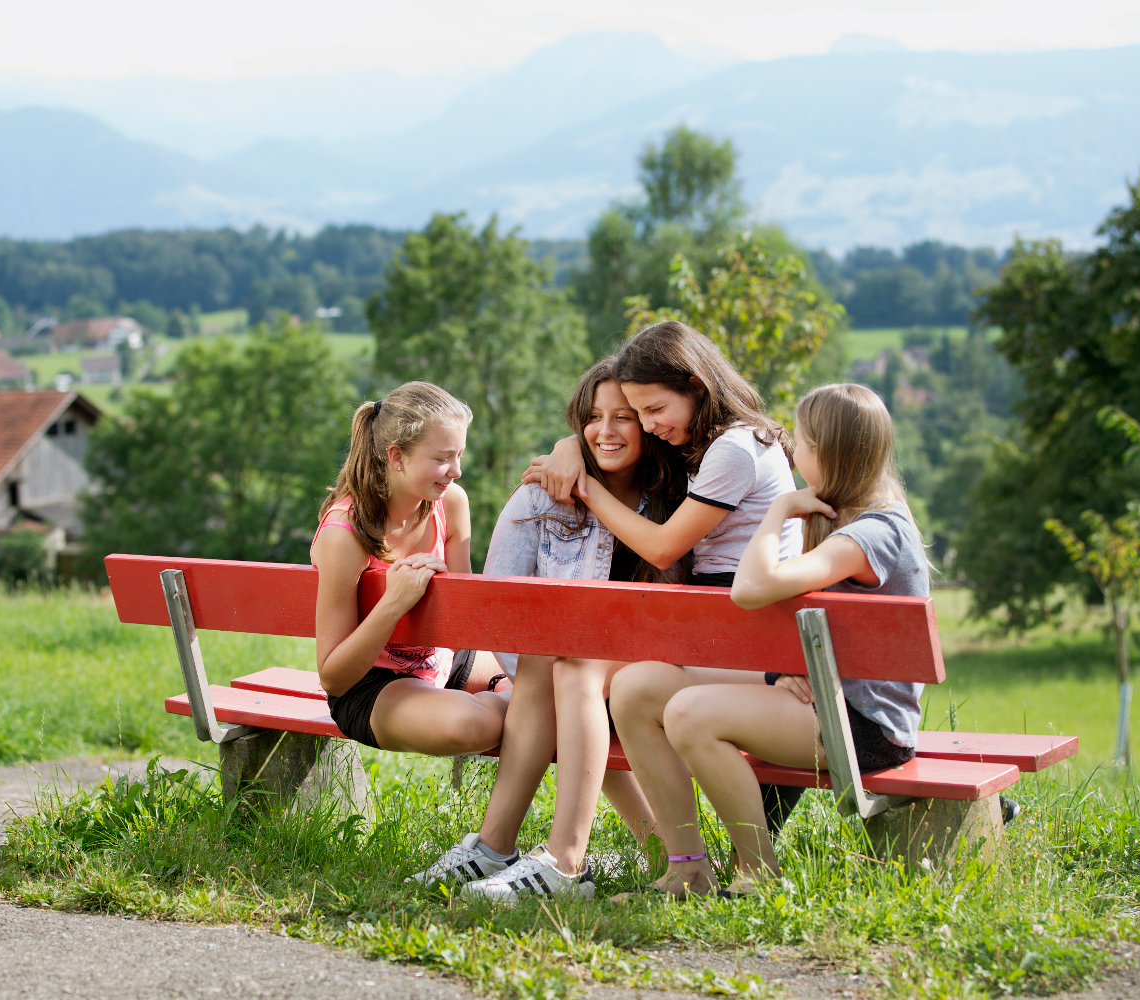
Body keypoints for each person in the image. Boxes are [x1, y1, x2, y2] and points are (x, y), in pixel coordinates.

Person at [615, 382, 928, 898]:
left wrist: (779, 510)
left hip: (861, 726)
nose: (794, 454)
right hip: (823, 697)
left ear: (826, 452)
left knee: (692, 712)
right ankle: (686, 870)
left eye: (801, 443)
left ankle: (758, 874)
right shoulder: (848, 521)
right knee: (636, 686)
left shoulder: (871, 534)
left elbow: (752, 587)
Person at [524, 320, 807, 864]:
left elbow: (661, 548)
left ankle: (568, 855)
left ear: (696, 387)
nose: (650, 427)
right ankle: (679, 862)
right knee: (597, 679)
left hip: (746, 628)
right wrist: (570, 445)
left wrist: (585, 487)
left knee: (580, 670)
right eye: (642, 413)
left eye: (655, 410)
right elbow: (614, 439)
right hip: (727, 623)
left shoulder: (734, 450)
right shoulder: (714, 441)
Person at [410, 358, 688, 902]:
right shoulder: (542, 496)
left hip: (646, 685)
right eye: (591, 417)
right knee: (555, 662)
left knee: (569, 668)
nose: (605, 431)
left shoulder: (676, 501)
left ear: (649, 426)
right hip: (561, 682)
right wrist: (569, 452)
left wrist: (577, 464)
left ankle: (561, 862)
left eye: (623, 417)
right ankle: (511, 849)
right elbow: (502, 609)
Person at [311, 381, 507, 756]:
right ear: (396, 456)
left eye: (460, 455)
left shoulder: (451, 504)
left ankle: (515, 707)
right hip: (372, 683)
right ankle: (515, 710)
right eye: (443, 457)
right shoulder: (345, 534)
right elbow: (333, 678)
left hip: (443, 657)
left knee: (552, 690)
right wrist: (393, 602)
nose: (457, 471)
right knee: (476, 724)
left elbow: (463, 617)